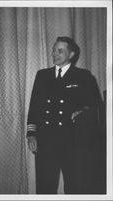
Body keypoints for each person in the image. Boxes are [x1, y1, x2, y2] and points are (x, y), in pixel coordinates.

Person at [26, 36, 104, 194]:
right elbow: (34, 106)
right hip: (46, 142)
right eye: (54, 50)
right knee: (44, 188)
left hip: (73, 142)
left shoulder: (83, 76)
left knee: (75, 188)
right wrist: (31, 133)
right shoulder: (42, 75)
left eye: (60, 51)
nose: (54, 53)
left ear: (71, 54)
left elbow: (96, 106)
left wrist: (83, 111)